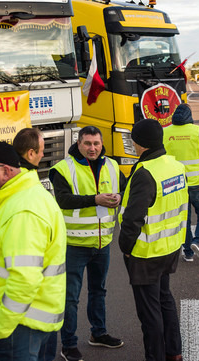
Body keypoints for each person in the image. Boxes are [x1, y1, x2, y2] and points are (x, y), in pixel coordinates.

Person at [0, 141, 67, 361]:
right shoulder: (24, 197)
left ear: (6, 171)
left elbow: (25, 278)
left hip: (20, 325)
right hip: (31, 319)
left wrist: (3, 325)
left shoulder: (22, 209)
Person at [49, 126, 126, 361]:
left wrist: (121, 195)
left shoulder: (112, 165)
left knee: (98, 291)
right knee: (70, 297)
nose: (93, 148)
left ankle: (98, 333)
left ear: (102, 144)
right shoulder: (62, 168)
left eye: (96, 144)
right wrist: (95, 199)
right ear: (79, 144)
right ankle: (69, 344)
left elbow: (124, 187)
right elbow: (62, 200)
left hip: (102, 243)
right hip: (74, 245)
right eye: (88, 144)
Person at [119, 119, 188, 361]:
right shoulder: (174, 165)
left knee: (150, 313)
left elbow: (133, 218)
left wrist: (126, 248)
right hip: (169, 247)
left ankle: (156, 356)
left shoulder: (145, 172)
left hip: (146, 252)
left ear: (140, 144)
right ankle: (174, 351)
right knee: (165, 300)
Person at [163, 104, 199, 262]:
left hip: (175, 184)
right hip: (197, 182)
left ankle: (188, 252)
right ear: (190, 116)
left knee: (184, 218)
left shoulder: (165, 132)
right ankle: (197, 241)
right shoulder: (197, 130)